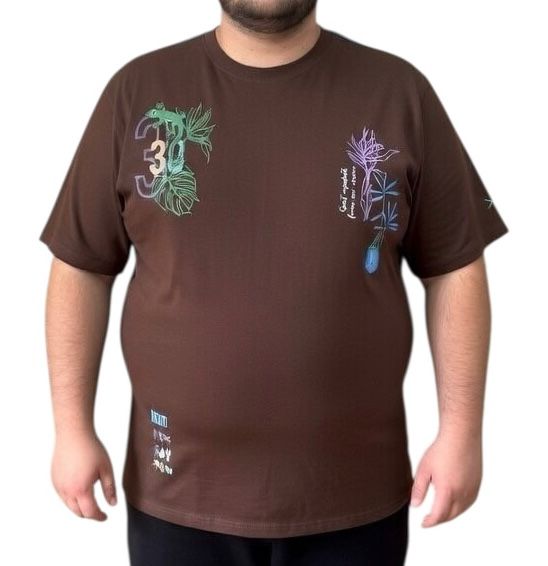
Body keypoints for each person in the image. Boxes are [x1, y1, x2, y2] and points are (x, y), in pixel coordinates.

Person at [39, 1, 509, 564]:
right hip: (177, 494)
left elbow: (455, 263)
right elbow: (81, 265)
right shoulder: (138, 92)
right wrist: (72, 428)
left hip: (354, 499)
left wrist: (462, 432)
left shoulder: (398, 93)